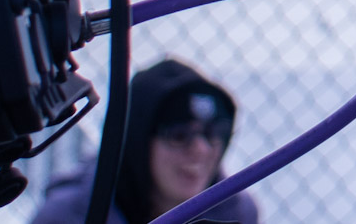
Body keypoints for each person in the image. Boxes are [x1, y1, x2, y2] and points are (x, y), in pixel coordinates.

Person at [34, 60, 260, 224]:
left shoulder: (237, 214)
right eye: (180, 136)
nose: (202, 150)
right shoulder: (69, 216)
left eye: (213, 134)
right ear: (137, 144)